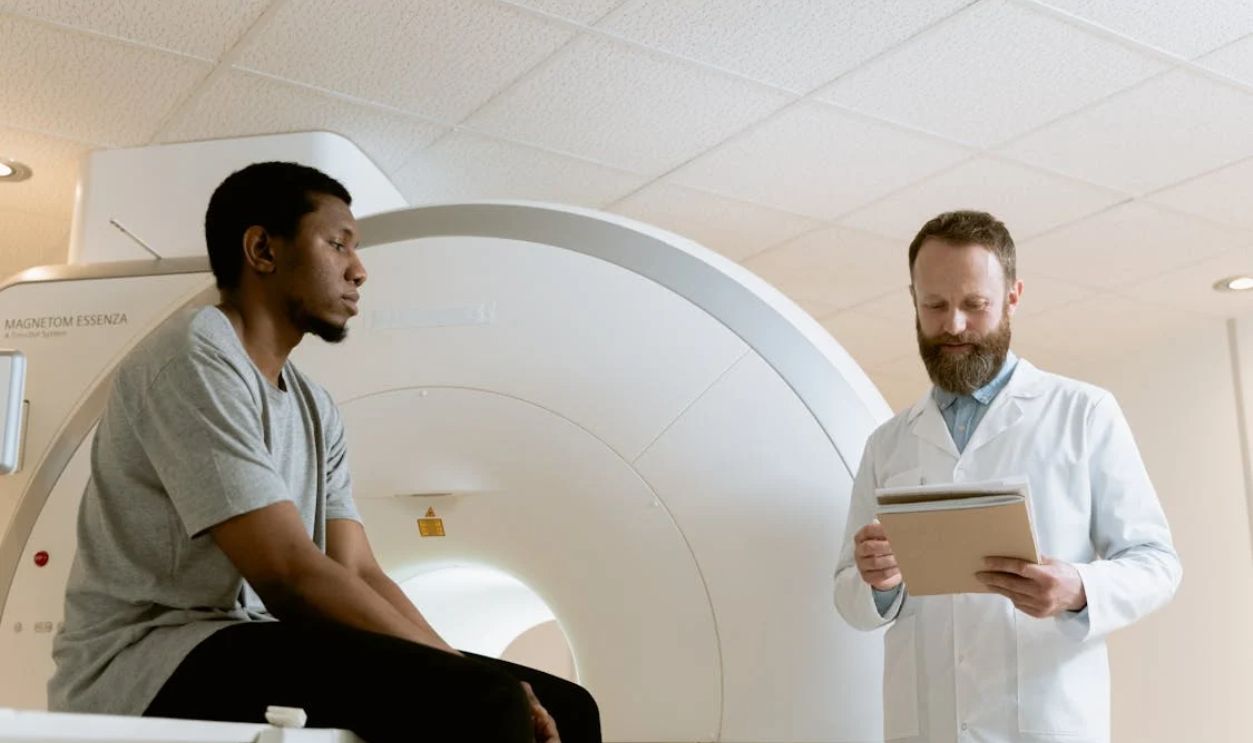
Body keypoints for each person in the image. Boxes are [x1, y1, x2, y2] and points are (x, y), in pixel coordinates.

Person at [49, 161, 600, 743]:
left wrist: (465, 665)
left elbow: (356, 568)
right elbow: (287, 571)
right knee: (484, 702)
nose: (358, 270)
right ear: (262, 249)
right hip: (147, 660)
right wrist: (470, 679)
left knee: (569, 706)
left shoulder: (315, 406)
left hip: (245, 639)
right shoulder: (192, 357)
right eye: (338, 244)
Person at [833, 210, 1181, 743]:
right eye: (935, 305)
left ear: (1013, 296)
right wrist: (879, 582)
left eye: (975, 305)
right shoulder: (888, 443)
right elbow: (850, 596)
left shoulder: (1083, 412)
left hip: (1046, 724)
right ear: (913, 300)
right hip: (927, 726)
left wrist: (1079, 589)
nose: (953, 325)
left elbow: (1157, 563)